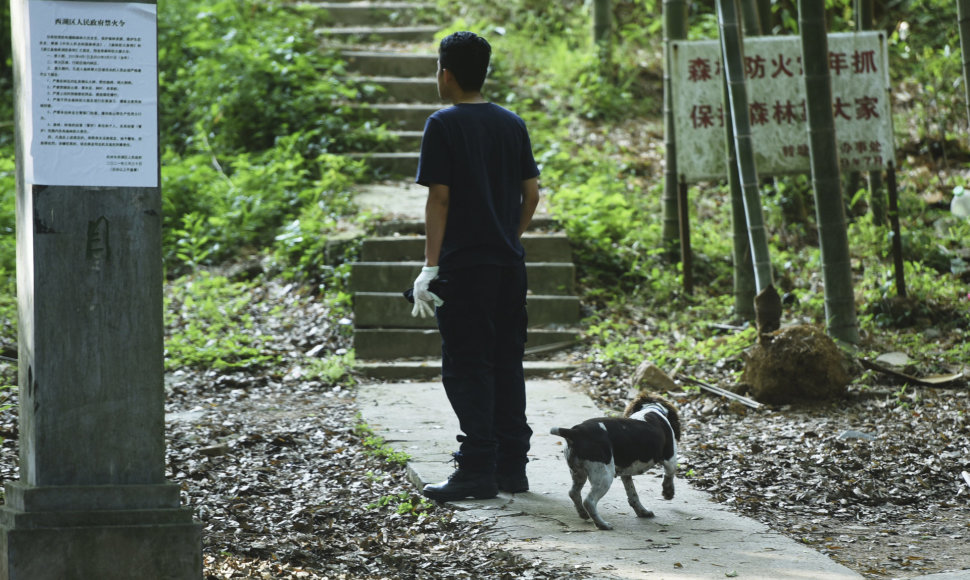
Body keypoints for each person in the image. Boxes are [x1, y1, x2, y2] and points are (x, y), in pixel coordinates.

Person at [411, 31, 541, 501]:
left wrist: (429, 267)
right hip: (509, 268)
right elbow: (532, 195)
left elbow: (439, 200)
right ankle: (512, 466)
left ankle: (476, 469)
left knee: (467, 367)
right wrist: (507, 237)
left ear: (446, 74)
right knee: (507, 362)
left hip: (464, 272)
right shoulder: (512, 124)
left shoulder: (442, 124)